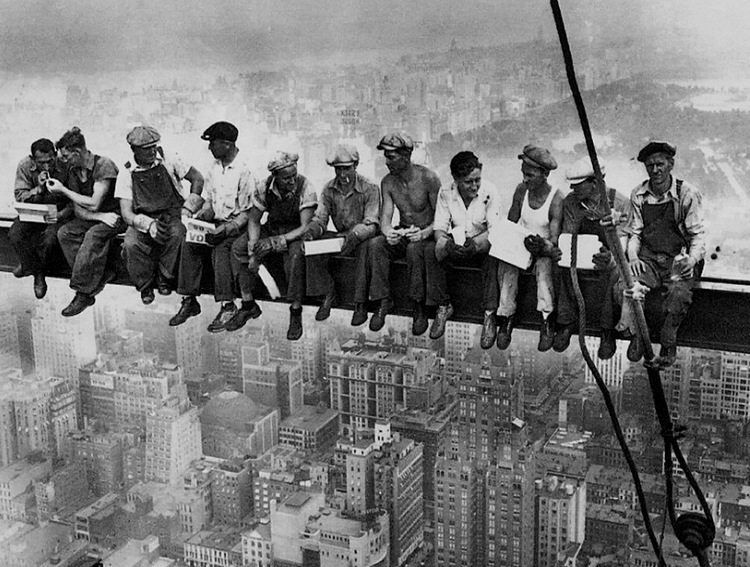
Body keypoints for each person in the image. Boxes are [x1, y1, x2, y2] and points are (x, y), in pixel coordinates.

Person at [619, 141, 705, 368]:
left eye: (660, 164)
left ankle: (668, 345)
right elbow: (635, 233)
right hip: (649, 258)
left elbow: (697, 236)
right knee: (628, 285)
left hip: (679, 259)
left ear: (671, 164)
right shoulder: (638, 194)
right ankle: (638, 335)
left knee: (678, 294)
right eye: (650, 166)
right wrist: (633, 257)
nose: (655, 170)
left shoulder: (686, 194)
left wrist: (692, 261)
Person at [169, 121, 256, 333]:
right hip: (216, 223)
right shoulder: (215, 169)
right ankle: (189, 300)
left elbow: (248, 213)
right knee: (189, 242)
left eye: (213, 144)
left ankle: (227, 305)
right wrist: (199, 217)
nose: (210, 148)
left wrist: (227, 229)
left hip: (235, 226)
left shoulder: (244, 170)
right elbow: (209, 200)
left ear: (226, 144)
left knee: (221, 249)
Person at [232, 150, 317, 340]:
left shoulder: (306, 188)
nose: (292, 181)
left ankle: (295, 310)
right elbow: (254, 220)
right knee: (239, 246)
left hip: (294, 233)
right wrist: (254, 248)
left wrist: (274, 242)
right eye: (286, 178)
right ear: (275, 176)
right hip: (273, 226)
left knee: (295, 257)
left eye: (294, 176)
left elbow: (305, 227)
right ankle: (247, 303)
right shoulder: (264, 187)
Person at [552, 158, 630, 358]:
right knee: (563, 267)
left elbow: (623, 240)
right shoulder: (571, 202)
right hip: (581, 251)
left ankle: (606, 331)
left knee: (613, 274)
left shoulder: (619, 202)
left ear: (594, 183)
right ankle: (566, 322)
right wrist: (568, 252)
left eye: (578, 185)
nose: (572, 189)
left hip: (609, 255)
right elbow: (569, 233)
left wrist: (611, 257)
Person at [370, 132, 446, 338]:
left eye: (391, 157)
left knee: (414, 250)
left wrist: (423, 233)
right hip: (404, 231)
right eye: (386, 156)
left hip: (426, 235)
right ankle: (383, 300)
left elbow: (441, 217)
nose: (387, 162)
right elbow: (385, 217)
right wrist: (389, 233)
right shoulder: (387, 182)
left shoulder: (429, 179)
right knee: (376, 244)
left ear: (406, 156)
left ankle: (418, 307)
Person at [118, 126, 204, 305]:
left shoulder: (168, 157)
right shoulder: (126, 171)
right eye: (145, 149)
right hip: (143, 218)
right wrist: (148, 225)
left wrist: (188, 209)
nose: (151, 151)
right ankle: (145, 285)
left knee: (178, 234)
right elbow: (126, 213)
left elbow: (198, 179)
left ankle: (165, 276)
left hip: (172, 213)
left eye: (153, 146)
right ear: (134, 150)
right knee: (130, 244)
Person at [495, 144, 563, 352]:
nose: (525, 179)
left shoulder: (556, 199)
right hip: (521, 243)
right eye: (523, 174)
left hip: (542, 248)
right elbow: (512, 221)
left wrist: (543, 245)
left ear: (544, 174)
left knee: (543, 270)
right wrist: (509, 241)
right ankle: (506, 316)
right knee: (508, 266)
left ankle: (546, 318)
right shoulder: (521, 191)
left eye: (530, 175)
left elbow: (554, 238)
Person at [303, 144, 380, 329]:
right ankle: (327, 292)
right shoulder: (329, 189)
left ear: (356, 166)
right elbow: (321, 217)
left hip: (361, 236)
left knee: (365, 250)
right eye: (339, 169)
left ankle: (360, 304)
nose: (343, 174)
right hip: (340, 236)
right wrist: (312, 231)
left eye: (347, 168)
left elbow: (372, 222)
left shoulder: (370, 188)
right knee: (312, 247)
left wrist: (356, 234)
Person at [50, 127, 123, 317]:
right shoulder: (74, 170)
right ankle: (101, 274)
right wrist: (99, 217)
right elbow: (79, 208)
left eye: (66, 156)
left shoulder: (103, 165)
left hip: (117, 216)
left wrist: (63, 190)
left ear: (77, 152)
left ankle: (82, 293)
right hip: (99, 217)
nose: (64, 161)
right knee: (65, 233)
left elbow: (93, 202)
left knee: (93, 235)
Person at [433, 151, 502, 349]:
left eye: (477, 180)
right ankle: (443, 305)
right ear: (456, 179)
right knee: (434, 250)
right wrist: (446, 243)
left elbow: (494, 229)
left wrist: (477, 244)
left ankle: (489, 315)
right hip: (457, 242)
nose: (474, 186)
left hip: (481, 245)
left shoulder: (490, 191)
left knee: (493, 257)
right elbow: (439, 226)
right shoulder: (446, 192)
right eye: (468, 182)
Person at [9, 138, 73, 299]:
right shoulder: (25, 166)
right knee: (15, 234)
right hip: (33, 211)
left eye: (50, 161)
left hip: (58, 213)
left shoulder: (66, 165)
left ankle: (33, 271)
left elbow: (74, 199)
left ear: (55, 155)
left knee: (50, 240)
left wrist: (61, 214)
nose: (47, 166)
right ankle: (35, 270)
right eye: (41, 162)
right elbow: (20, 196)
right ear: (33, 159)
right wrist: (38, 188)